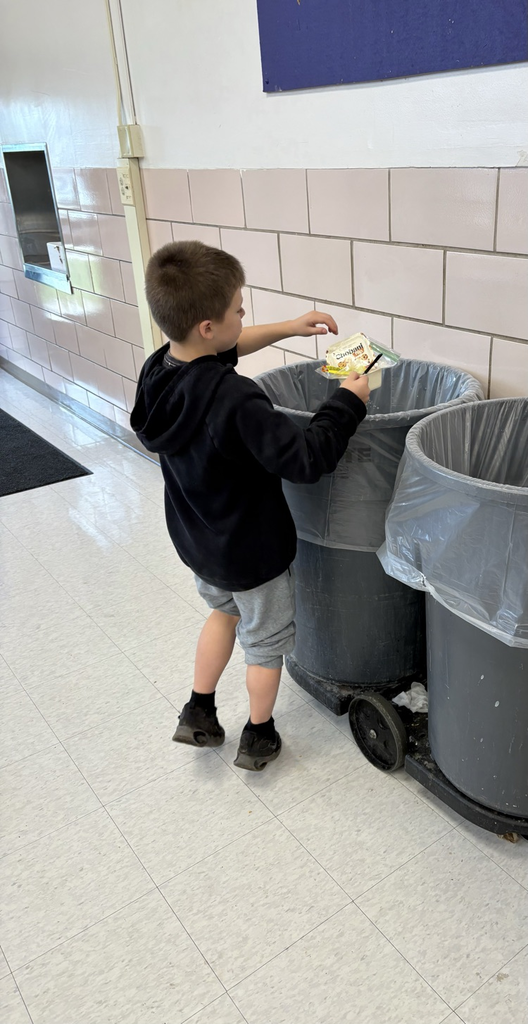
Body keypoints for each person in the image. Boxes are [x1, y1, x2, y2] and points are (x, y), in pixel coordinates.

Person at [131, 241, 370, 771]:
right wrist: (348, 401)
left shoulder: (160, 371)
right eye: (239, 310)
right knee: (264, 644)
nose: (244, 317)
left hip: (199, 540)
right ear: (208, 327)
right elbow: (306, 458)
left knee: (222, 612)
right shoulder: (235, 399)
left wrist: (289, 328)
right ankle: (259, 734)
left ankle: (198, 709)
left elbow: (227, 347)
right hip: (252, 552)